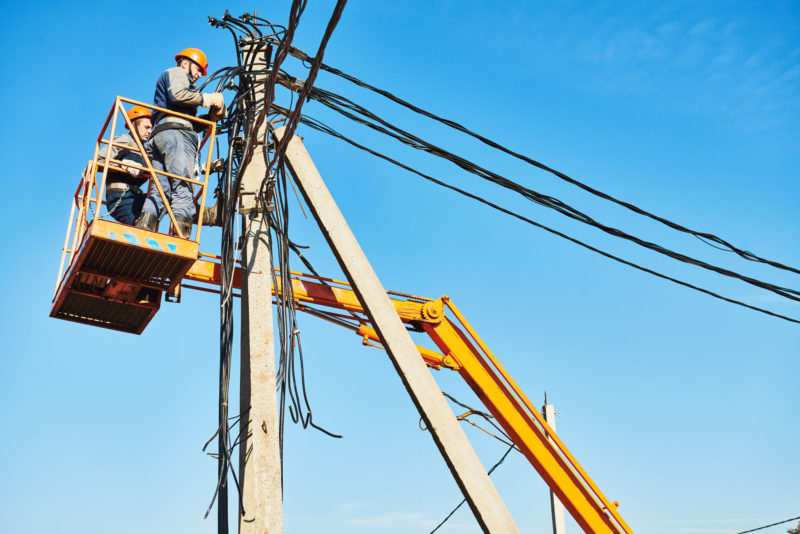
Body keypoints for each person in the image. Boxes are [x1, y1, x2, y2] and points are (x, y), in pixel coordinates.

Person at [135, 47, 225, 236]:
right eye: (198, 69)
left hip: (163, 135)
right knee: (183, 186)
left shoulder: (178, 91)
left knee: (161, 191)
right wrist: (206, 99)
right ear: (186, 63)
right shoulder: (176, 73)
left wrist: (210, 118)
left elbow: (188, 121)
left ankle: (143, 230)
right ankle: (180, 237)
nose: (200, 75)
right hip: (175, 137)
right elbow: (177, 94)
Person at [97, 106, 152, 225]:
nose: (149, 131)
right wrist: (122, 165)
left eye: (150, 128)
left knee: (163, 201)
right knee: (139, 229)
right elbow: (99, 160)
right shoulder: (124, 140)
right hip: (120, 197)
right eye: (146, 127)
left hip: (135, 196)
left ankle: (194, 213)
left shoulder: (145, 151)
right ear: (133, 125)